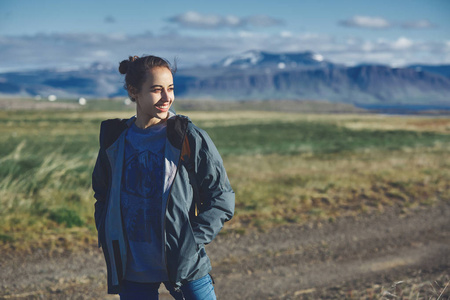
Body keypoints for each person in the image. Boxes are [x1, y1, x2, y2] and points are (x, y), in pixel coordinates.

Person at [92, 55, 235, 300]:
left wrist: (191, 240)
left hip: (185, 264)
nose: (167, 98)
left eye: (170, 89)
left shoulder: (187, 137)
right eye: (157, 90)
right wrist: (108, 232)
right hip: (132, 269)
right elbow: (102, 195)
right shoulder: (115, 140)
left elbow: (221, 197)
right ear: (133, 91)